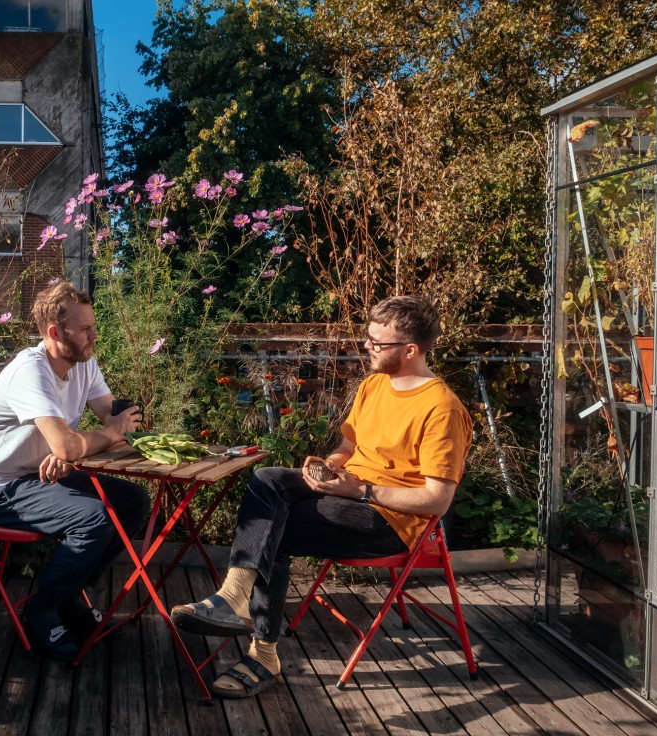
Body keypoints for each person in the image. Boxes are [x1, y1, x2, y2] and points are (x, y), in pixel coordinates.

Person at [169, 295, 472, 698]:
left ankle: (263, 655)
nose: (367, 347)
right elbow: (349, 449)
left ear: (411, 350)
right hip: (347, 491)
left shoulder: (441, 408)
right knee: (269, 478)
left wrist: (361, 490)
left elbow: (436, 501)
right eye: (368, 338)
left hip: (390, 522)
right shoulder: (374, 385)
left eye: (377, 343)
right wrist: (330, 464)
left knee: (275, 528)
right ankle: (233, 596)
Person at [0, 281, 151, 660]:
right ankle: (44, 606)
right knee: (95, 518)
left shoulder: (84, 364)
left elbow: (114, 422)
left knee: (134, 502)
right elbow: (93, 435)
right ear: (55, 333)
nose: (94, 336)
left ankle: (69, 596)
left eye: (92, 326)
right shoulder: (30, 372)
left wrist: (77, 446)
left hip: (40, 475)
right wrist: (76, 444)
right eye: (85, 329)